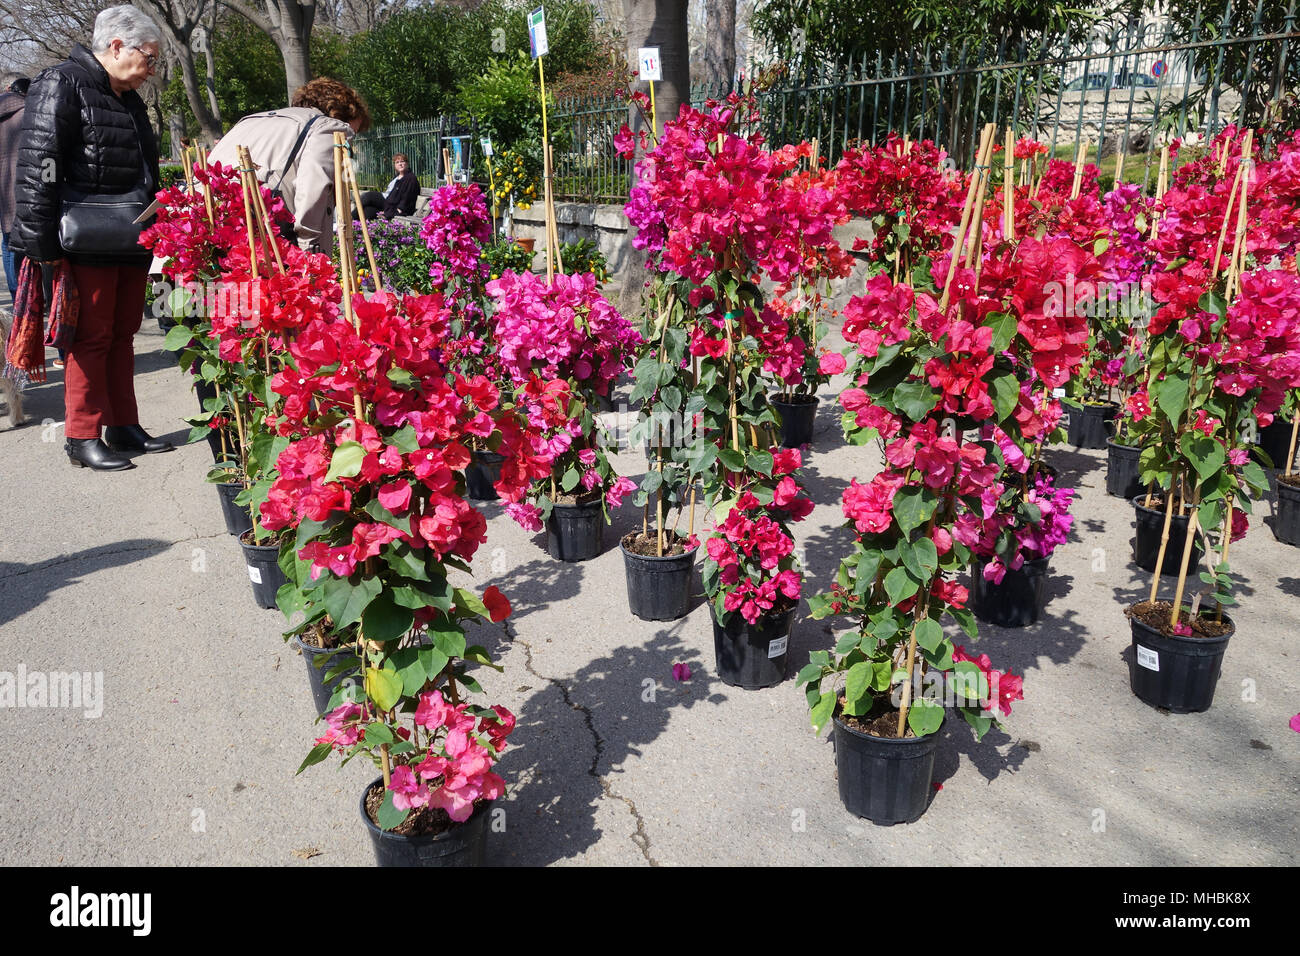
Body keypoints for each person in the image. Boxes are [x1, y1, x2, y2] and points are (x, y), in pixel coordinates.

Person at [11, 5, 170, 471]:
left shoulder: (127, 96)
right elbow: (41, 164)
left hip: (130, 235)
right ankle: (82, 435)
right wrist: (41, 245)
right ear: (116, 46)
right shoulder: (61, 82)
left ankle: (124, 425)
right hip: (85, 238)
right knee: (90, 338)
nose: (151, 68)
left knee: (123, 334)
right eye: (150, 56)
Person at [208, 78, 371, 253]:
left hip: (207, 231)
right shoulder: (327, 127)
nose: (351, 137)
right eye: (354, 131)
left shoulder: (248, 121)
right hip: (266, 242)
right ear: (341, 114)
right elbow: (313, 187)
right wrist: (310, 251)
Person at [0, 76, 29, 297]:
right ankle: (26, 294)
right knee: (26, 241)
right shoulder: (27, 113)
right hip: (22, 186)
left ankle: (14, 292)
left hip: (2, 188)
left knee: (8, 239)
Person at [359, 153, 418, 220]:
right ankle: (352, 222)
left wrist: (397, 210)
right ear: (395, 166)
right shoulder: (397, 176)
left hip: (394, 208)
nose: (400, 164)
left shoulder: (410, 178)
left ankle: (350, 219)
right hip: (388, 206)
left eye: (402, 161)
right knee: (367, 211)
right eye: (397, 162)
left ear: (407, 163)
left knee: (368, 196)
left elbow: (407, 197)